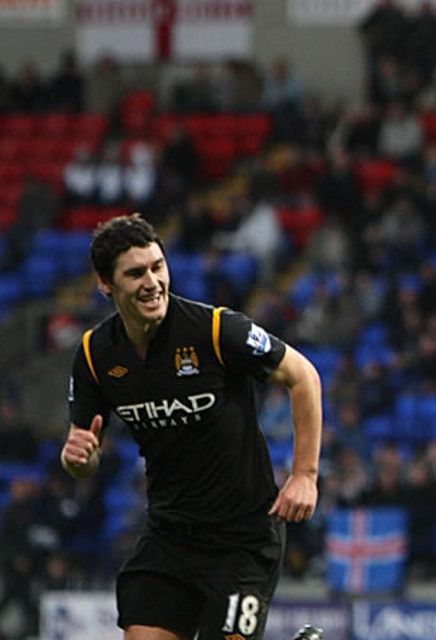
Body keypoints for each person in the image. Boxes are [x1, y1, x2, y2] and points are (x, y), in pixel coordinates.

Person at [60, 214, 323, 640]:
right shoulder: (95, 355)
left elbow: (303, 376)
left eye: (157, 267)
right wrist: (79, 461)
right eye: (135, 273)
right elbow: (81, 458)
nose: (152, 282)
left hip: (243, 539)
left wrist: (305, 475)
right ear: (105, 283)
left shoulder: (217, 331)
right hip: (169, 538)